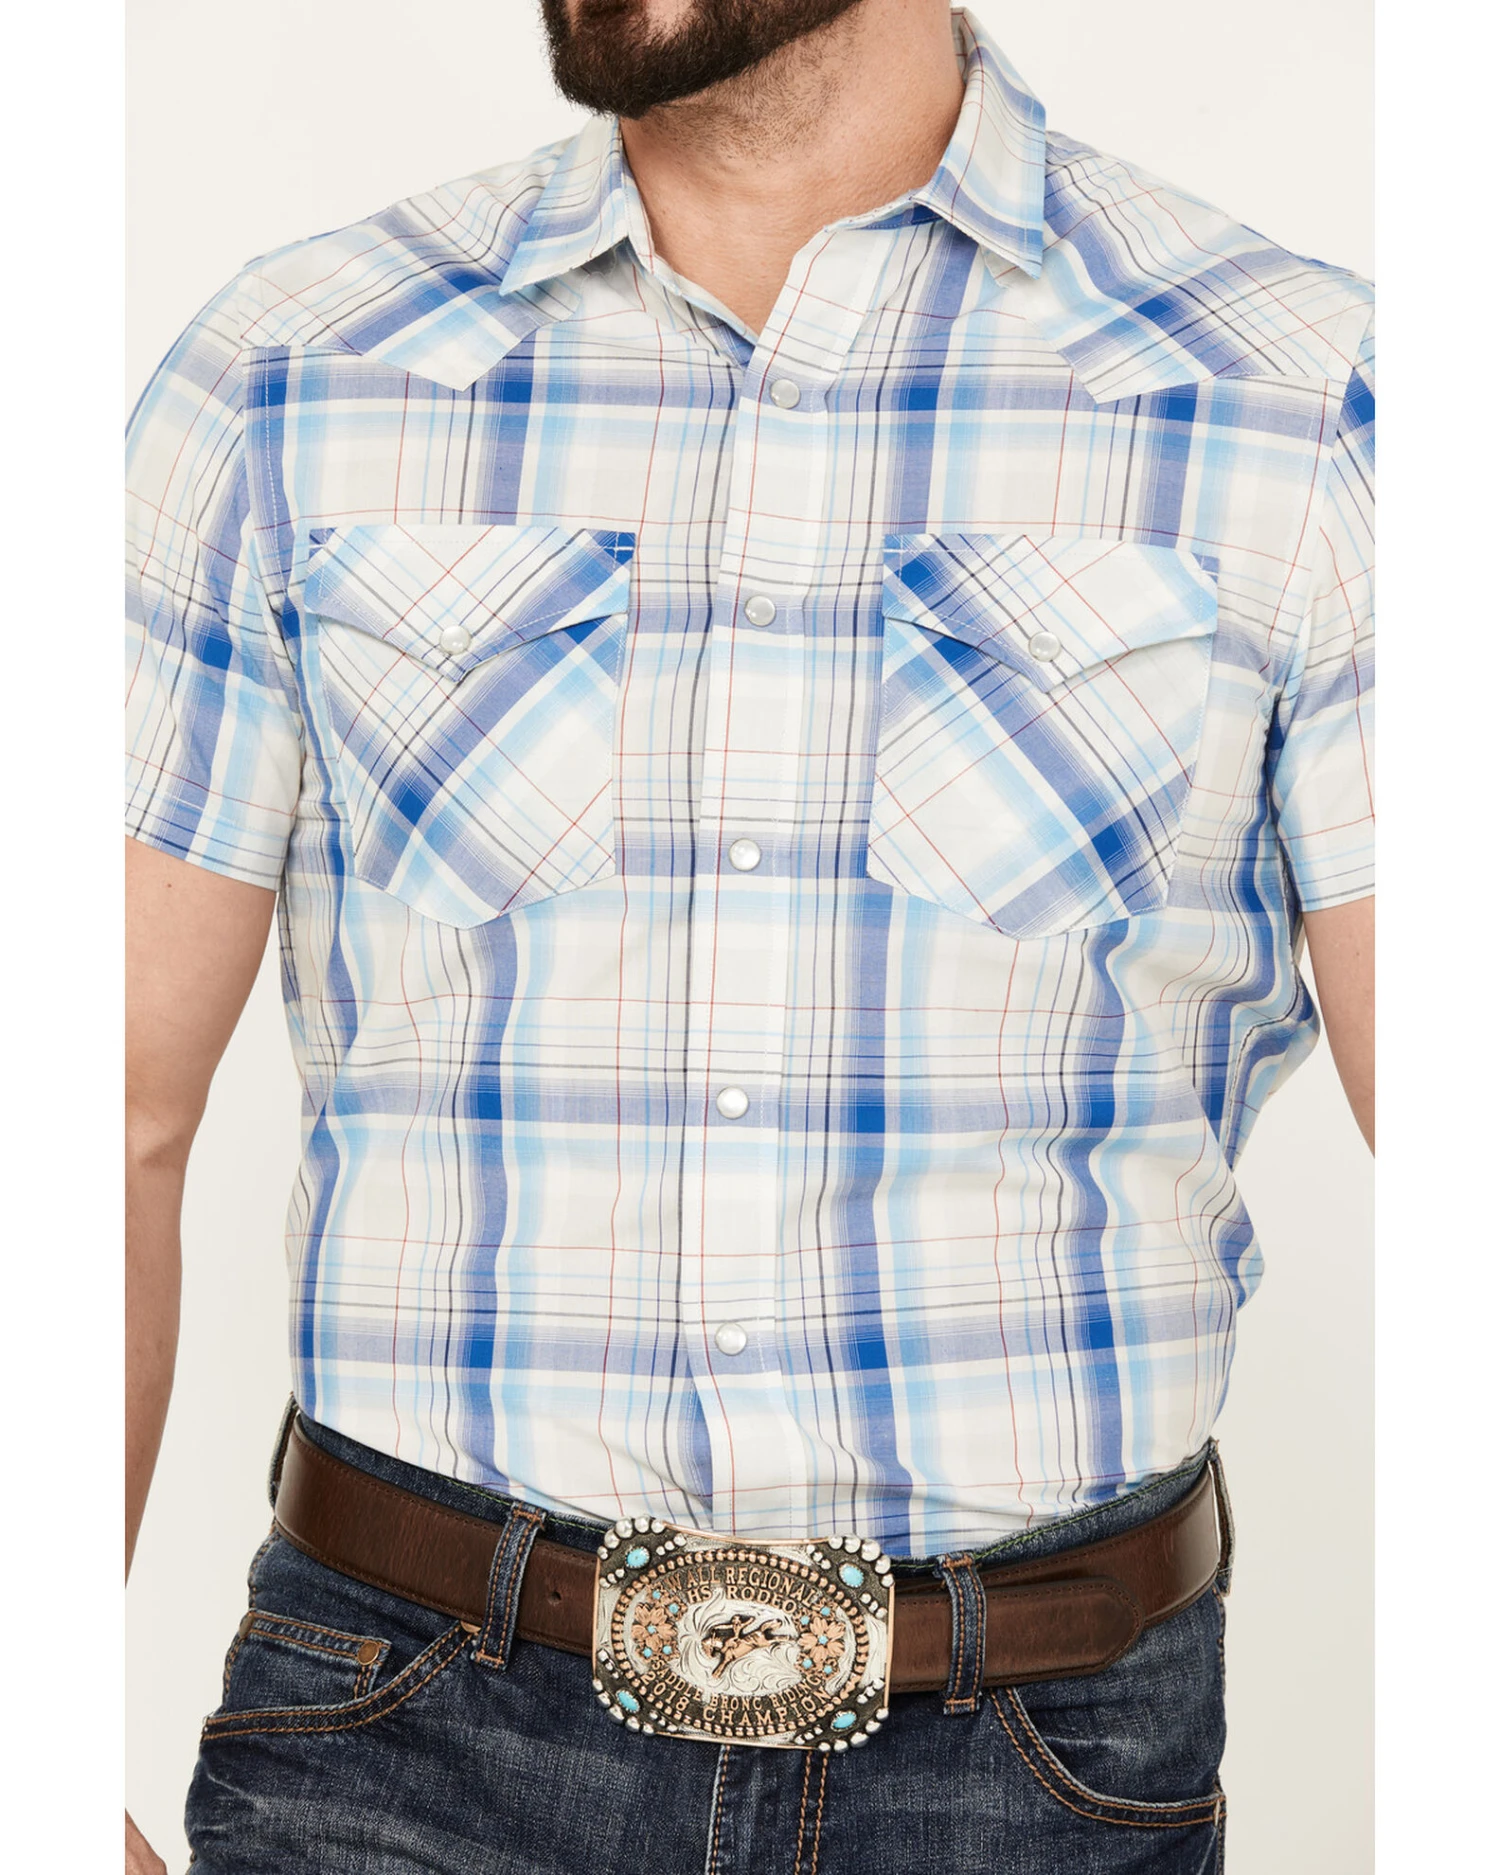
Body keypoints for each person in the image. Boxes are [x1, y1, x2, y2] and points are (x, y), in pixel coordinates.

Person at [124, 2, 1373, 1870]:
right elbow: (95, 1108)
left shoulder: (1301, 396)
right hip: (406, 1750)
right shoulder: (294, 370)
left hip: (1033, 1771)